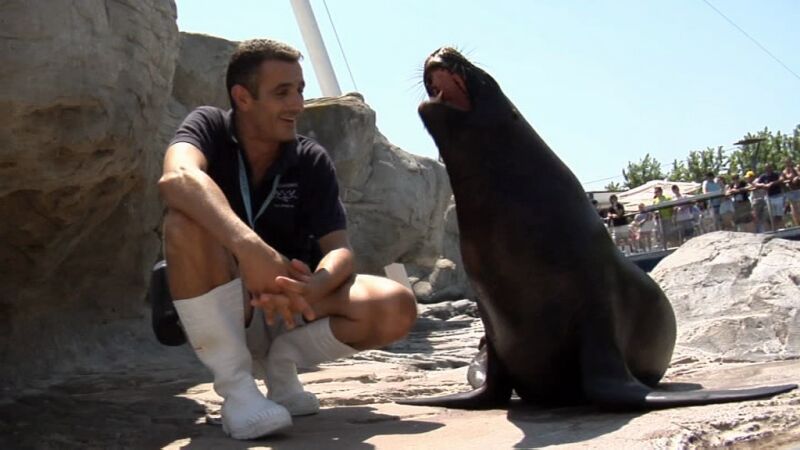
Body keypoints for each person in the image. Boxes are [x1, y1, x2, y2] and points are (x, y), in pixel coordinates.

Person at [157, 39, 417, 440]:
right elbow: (177, 178)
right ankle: (238, 392)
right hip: (227, 306)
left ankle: (283, 363)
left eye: (300, 90)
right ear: (242, 97)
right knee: (182, 222)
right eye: (282, 92)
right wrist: (249, 249)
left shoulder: (310, 158)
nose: (296, 104)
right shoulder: (208, 126)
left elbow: (341, 250)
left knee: (396, 303)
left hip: (295, 305)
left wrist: (315, 285)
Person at [754, 164, 784, 231]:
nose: (768, 169)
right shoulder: (763, 176)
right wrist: (762, 185)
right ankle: (775, 229)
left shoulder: (776, 174)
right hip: (769, 197)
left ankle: (782, 228)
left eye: (769, 167)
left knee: (779, 215)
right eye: (767, 168)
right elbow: (756, 184)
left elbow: (781, 179)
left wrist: (772, 183)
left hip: (778, 196)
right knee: (771, 215)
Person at [780, 158, 800, 226]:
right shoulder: (784, 172)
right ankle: (798, 225)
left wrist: (796, 177)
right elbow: (781, 179)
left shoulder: (795, 169)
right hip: (790, 192)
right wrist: (786, 180)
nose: (788, 163)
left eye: (789, 162)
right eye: (787, 162)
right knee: (794, 210)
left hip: (798, 191)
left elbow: (798, 175)